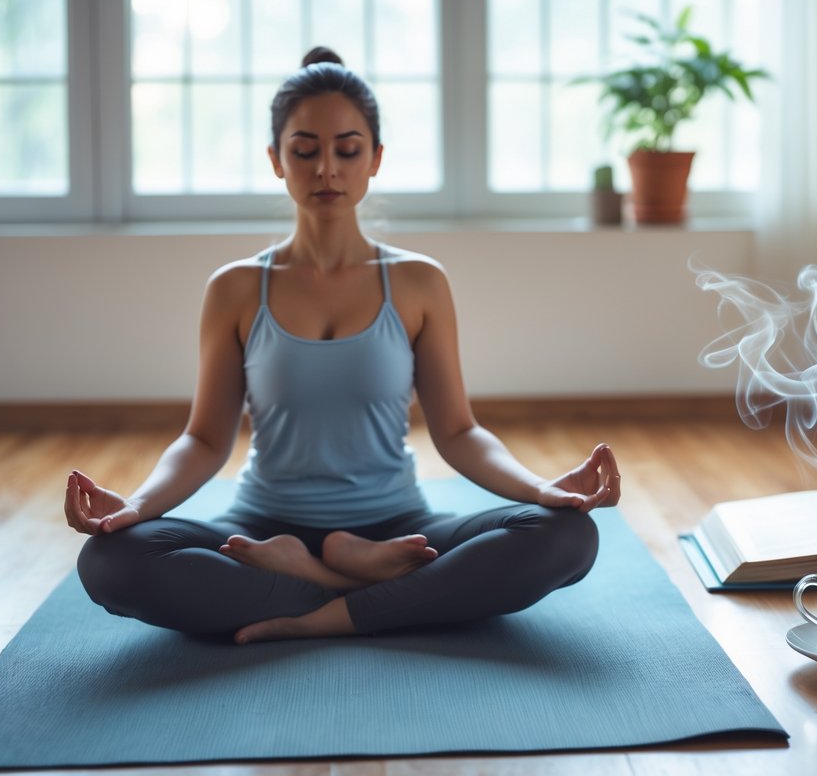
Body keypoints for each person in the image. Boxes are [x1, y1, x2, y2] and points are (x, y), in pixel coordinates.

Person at [66, 47, 622, 645]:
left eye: (347, 149)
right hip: (261, 530)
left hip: (396, 529)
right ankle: (361, 591)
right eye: (304, 150)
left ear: (375, 159)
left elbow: (459, 433)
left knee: (567, 536)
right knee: (111, 562)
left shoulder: (418, 282)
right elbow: (204, 441)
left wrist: (540, 489)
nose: (326, 168)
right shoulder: (233, 289)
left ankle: (319, 598)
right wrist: (138, 506)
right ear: (277, 160)